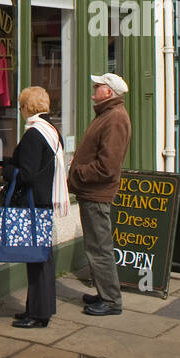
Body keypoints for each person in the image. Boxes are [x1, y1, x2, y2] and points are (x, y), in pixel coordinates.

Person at [0, 85, 69, 329]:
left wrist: (7, 170)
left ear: (27, 107)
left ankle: (38, 314)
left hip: (35, 202)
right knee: (41, 258)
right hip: (44, 200)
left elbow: (27, 173)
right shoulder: (51, 129)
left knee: (38, 260)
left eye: (21, 105)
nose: (21, 110)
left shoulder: (34, 134)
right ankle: (37, 309)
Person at [68, 73, 132, 317]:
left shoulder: (114, 118)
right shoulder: (108, 114)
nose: (93, 90)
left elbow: (107, 167)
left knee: (100, 248)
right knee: (95, 245)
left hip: (97, 193)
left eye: (98, 86)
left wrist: (78, 173)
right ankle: (104, 293)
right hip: (92, 192)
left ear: (109, 92)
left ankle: (111, 301)